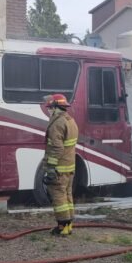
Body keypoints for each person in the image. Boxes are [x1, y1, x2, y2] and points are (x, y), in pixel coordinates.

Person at [41, 93, 79, 236]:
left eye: (50, 107)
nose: (49, 110)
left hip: (59, 168)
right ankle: (69, 225)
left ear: (56, 108)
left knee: (58, 197)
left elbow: (57, 148)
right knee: (67, 196)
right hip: (69, 167)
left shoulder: (57, 123)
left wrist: (51, 167)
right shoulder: (70, 120)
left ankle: (62, 227)